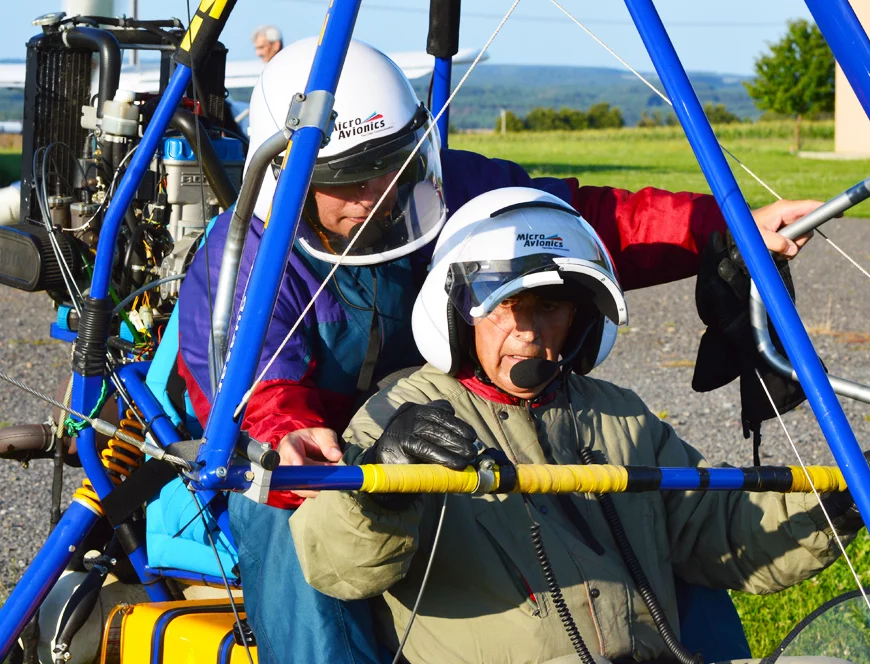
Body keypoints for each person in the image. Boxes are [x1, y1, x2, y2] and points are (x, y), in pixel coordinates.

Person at [166, 37, 819, 664]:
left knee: (635, 506)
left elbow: (583, 225)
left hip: (456, 411)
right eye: (349, 179)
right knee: (294, 513)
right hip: (321, 451)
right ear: (286, 176)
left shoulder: (452, 186)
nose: (377, 193)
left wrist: (729, 227)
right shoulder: (241, 261)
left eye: (391, 164)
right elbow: (255, 393)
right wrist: (306, 442)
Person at [290, 187, 870, 664]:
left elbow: (722, 527)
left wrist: (845, 497)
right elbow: (335, 564)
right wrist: (383, 483)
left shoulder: (617, 413)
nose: (527, 331)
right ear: (459, 310)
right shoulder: (402, 414)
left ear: (579, 318)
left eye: (549, 307)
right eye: (504, 305)